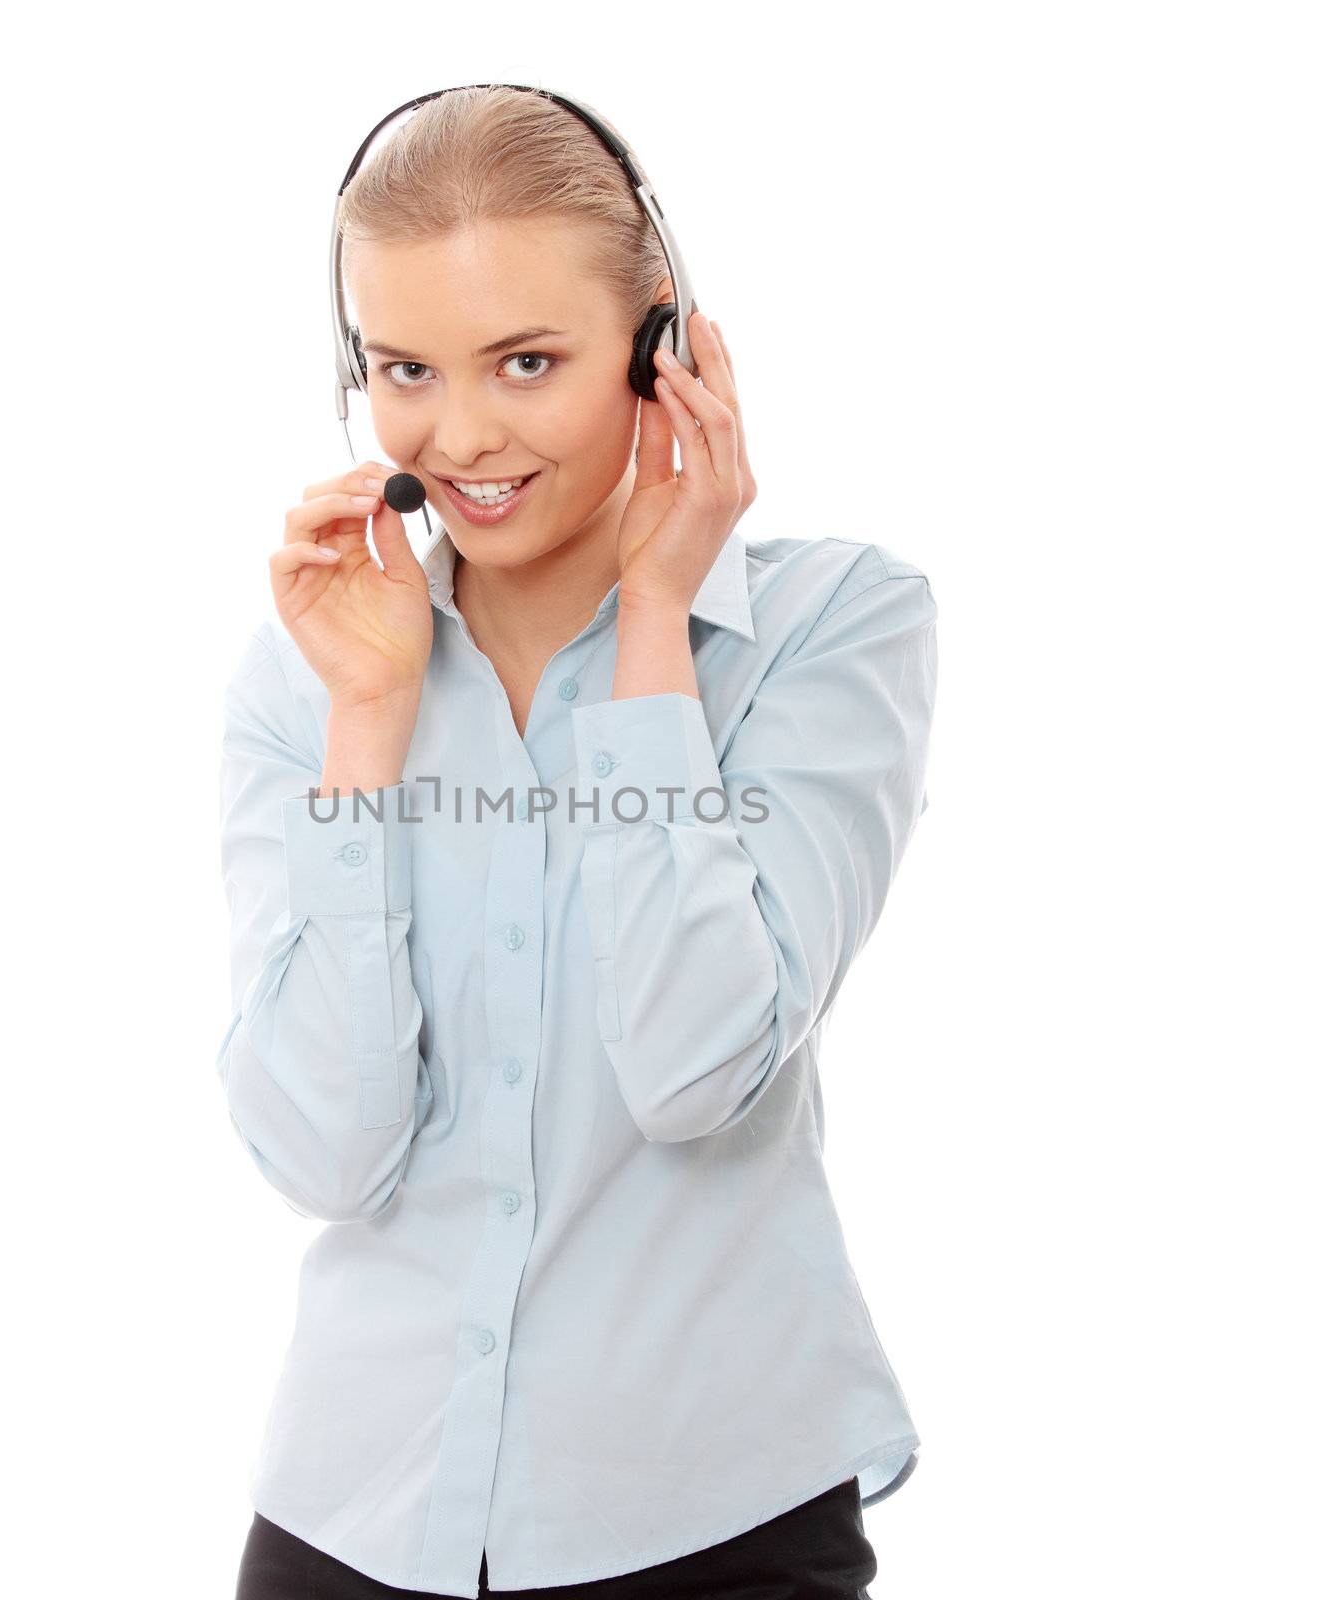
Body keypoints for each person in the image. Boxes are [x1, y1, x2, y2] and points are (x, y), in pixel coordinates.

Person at [216, 85, 938, 1600]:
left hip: (709, 1518)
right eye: (404, 367)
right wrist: (368, 722)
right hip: (360, 1512)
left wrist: (658, 627)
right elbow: (324, 1149)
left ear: (661, 348)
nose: (461, 434)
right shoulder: (310, 675)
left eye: (527, 361)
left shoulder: (832, 631)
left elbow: (695, 1069)